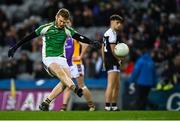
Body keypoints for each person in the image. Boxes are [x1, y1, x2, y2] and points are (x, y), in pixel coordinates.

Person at [8, 8, 100, 111]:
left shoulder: (67, 30)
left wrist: (92, 43)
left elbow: (80, 37)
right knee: (61, 72)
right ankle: (74, 88)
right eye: (61, 21)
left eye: (64, 22)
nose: (62, 24)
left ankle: (46, 102)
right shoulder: (46, 28)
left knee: (66, 80)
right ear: (56, 17)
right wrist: (15, 47)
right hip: (49, 58)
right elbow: (29, 37)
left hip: (61, 58)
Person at [61, 19, 95, 111]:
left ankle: (91, 106)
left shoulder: (74, 34)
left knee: (81, 86)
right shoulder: (62, 35)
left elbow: (85, 44)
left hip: (76, 64)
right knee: (68, 86)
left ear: (71, 23)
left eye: (68, 22)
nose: (66, 24)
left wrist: (80, 56)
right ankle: (63, 108)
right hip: (67, 65)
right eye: (65, 22)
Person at [102, 15, 124, 111]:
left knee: (117, 85)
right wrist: (119, 58)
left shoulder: (109, 33)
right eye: (117, 22)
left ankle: (114, 105)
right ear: (112, 22)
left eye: (120, 23)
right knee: (111, 84)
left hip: (110, 60)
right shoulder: (111, 33)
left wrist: (103, 61)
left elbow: (102, 48)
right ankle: (107, 106)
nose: (119, 25)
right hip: (112, 60)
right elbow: (113, 49)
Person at [128, 44, 157, 110]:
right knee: (144, 97)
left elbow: (136, 71)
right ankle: (146, 107)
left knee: (140, 97)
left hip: (141, 83)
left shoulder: (140, 61)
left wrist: (131, 80)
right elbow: (154, 74)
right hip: (149, 83)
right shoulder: (151, 62)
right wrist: (154, 83)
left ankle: (152, 106)